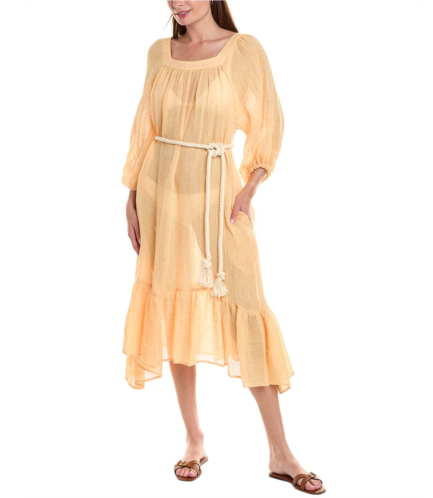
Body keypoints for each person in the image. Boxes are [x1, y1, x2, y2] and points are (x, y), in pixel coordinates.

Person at [121, 0, 326, 494]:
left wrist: (250, 186)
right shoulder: (159, 52)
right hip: (160, 192)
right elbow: (145, 125)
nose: (178, 2)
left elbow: (269, 119)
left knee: (247, 307)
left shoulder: (243, 50)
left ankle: (281, 452)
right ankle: (194, 441)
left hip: (219, 194)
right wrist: (131, 195)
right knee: (174, 305)